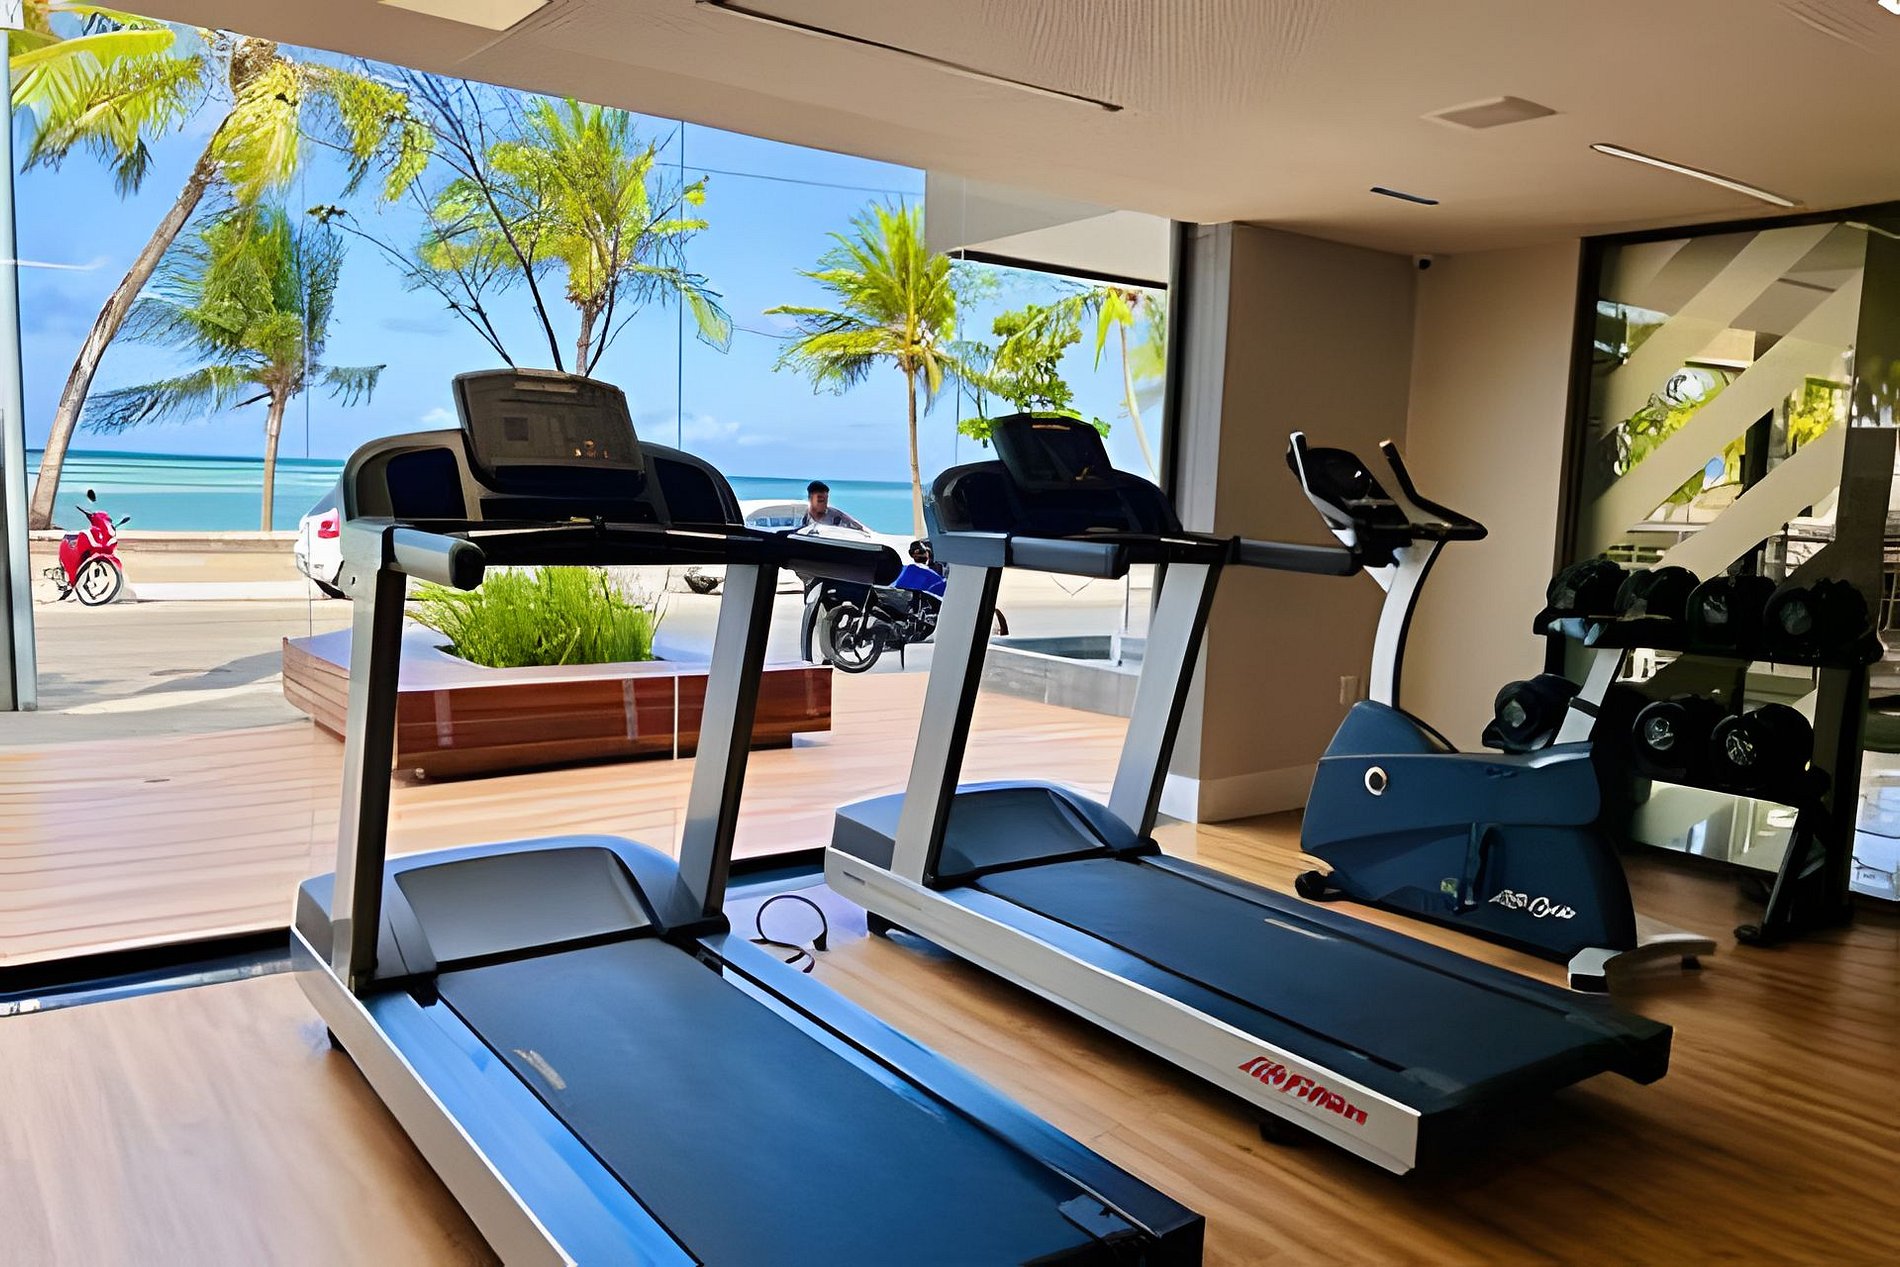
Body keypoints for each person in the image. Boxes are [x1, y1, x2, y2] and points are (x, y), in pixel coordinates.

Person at [801, 480, 866, 531]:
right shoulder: (803, 516)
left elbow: (859, 528)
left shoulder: (837, 517)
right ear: (810, 499)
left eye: (826, 500)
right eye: (820, 501)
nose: (824, 505)